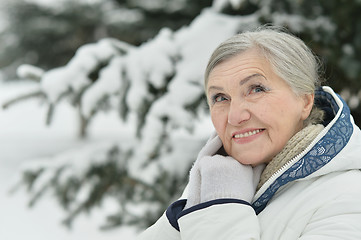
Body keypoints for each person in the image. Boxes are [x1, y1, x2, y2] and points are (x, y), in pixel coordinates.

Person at [137, 27, 361, 239]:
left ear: (305, 100)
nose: (234, 116)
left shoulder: (349, 198)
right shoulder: (216, 179)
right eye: (220, 98)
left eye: (256, 89)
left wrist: (221, 208)